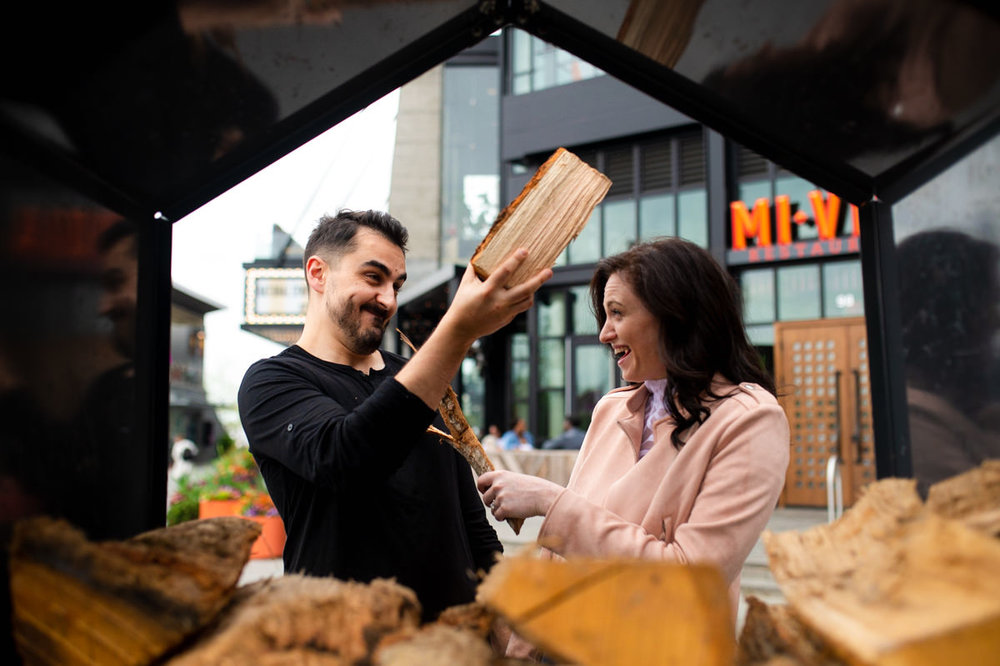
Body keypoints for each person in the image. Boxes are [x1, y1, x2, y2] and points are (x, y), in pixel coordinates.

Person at [477, 238, 789, 656]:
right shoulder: (611, 409)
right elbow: (557, 559)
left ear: (674, 315)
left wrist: (550, 501)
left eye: (618, 314)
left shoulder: (749, 418)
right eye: (605, 316)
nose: (604, 334)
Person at [237, 209, 551, 621]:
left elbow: (467, 517)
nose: (388, 299)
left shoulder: (416, 374)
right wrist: (457, 330)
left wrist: (504, 616)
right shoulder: (273, 381)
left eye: (396, 285)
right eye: (373, 277)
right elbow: (347, 456)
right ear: (318, 273)